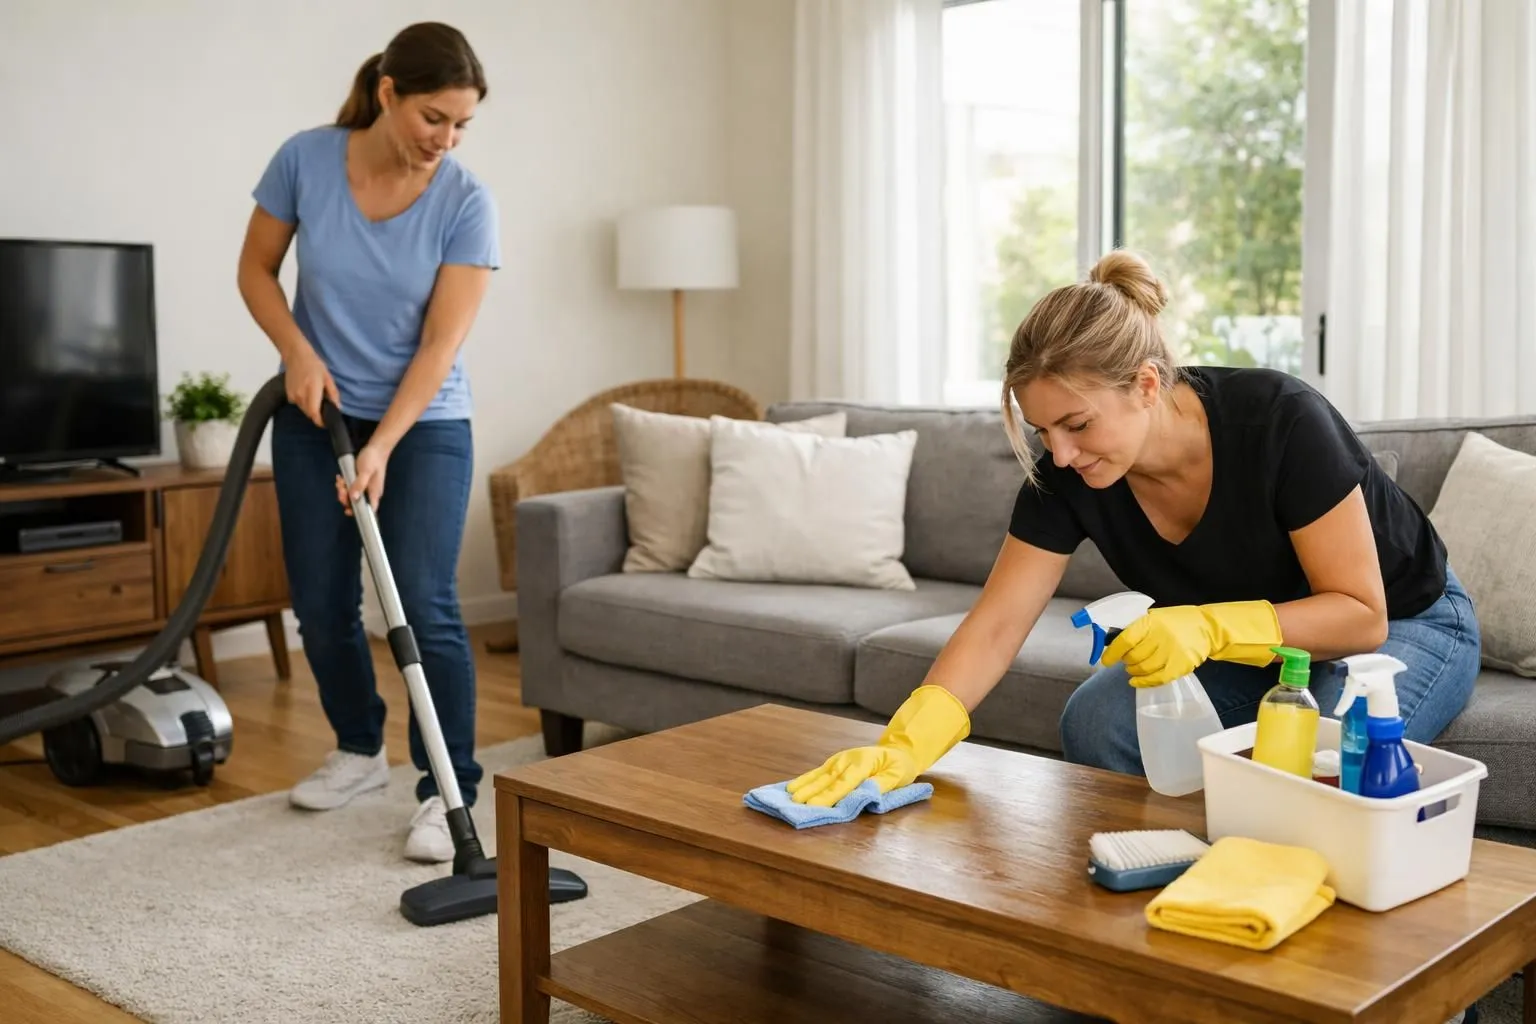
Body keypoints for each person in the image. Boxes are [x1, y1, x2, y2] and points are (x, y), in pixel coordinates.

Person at [785, 248, 1480, 806]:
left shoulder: (1279, 420)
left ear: (1147, 385)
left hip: (1404, 625)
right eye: (1042, 429)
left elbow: (1360, 616)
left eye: (1077, 424)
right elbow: (996, 625)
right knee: (1097, 720)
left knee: (1314, 771)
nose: (1059, 453)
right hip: (1254, 650)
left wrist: (1205, 627)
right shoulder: (1069, 471)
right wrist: (906, 743)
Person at [236, 22, 499, 864]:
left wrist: (383, 444)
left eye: (461, 125)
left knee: (423, 602)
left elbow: (439, 348)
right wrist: (298, 351)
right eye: (434, 117)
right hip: (314, 415)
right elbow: (255, 271)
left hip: (424, 425)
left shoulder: (466, 201)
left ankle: (446, 786)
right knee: (320, 601)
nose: (445, 140)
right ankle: (358, 748)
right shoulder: (306, 161)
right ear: (387, 92)